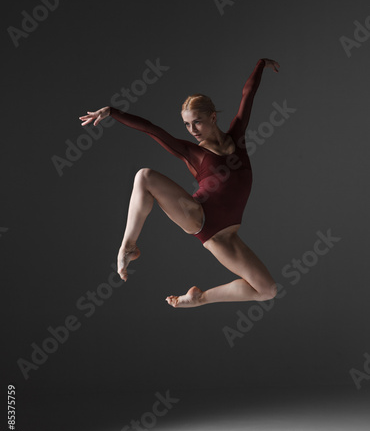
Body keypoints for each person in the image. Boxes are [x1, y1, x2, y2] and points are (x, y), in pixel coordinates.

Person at [79, 58, 280, 308]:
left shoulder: (237, 135)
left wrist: (260, 64)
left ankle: (199, 298)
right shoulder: (191, 152)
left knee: (267, 290)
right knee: (144, 176)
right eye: (186, 124)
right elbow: (151, 129)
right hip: (200, 216)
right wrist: (112, 111)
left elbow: (247, 94)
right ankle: (128, 246)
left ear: (213, 117)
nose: (192, 129)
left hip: (226, 237)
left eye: (197, 121)